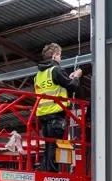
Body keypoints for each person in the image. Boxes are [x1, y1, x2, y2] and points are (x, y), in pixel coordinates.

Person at [35, 43, 82, 173]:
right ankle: (51, 173)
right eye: (60, 56)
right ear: (55, 55)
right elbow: (71, 86)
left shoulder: (38, 75)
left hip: (42, 114)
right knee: (55, 144)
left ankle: (47, 171)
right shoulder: (55, 69)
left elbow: (57, 85)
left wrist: (69, 79)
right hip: (56, 113)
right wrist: (76, 77)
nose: (60, 59)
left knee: (49, 143)